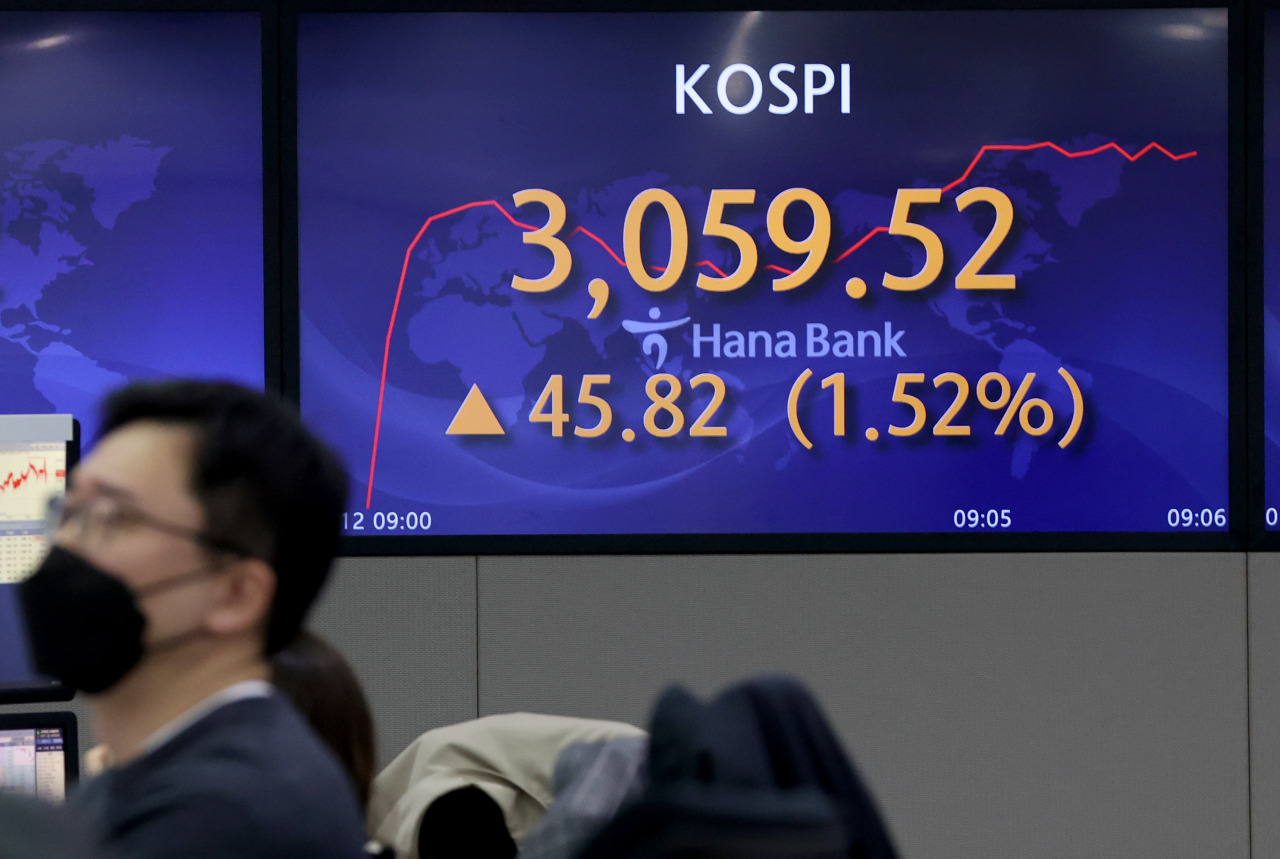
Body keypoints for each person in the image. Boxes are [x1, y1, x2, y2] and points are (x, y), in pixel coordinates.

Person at [17, 379, 368, 859]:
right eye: (69, 510)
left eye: (114, 517)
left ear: (235, 594)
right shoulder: (150, 784)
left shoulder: (230, 815)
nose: (67, 545)